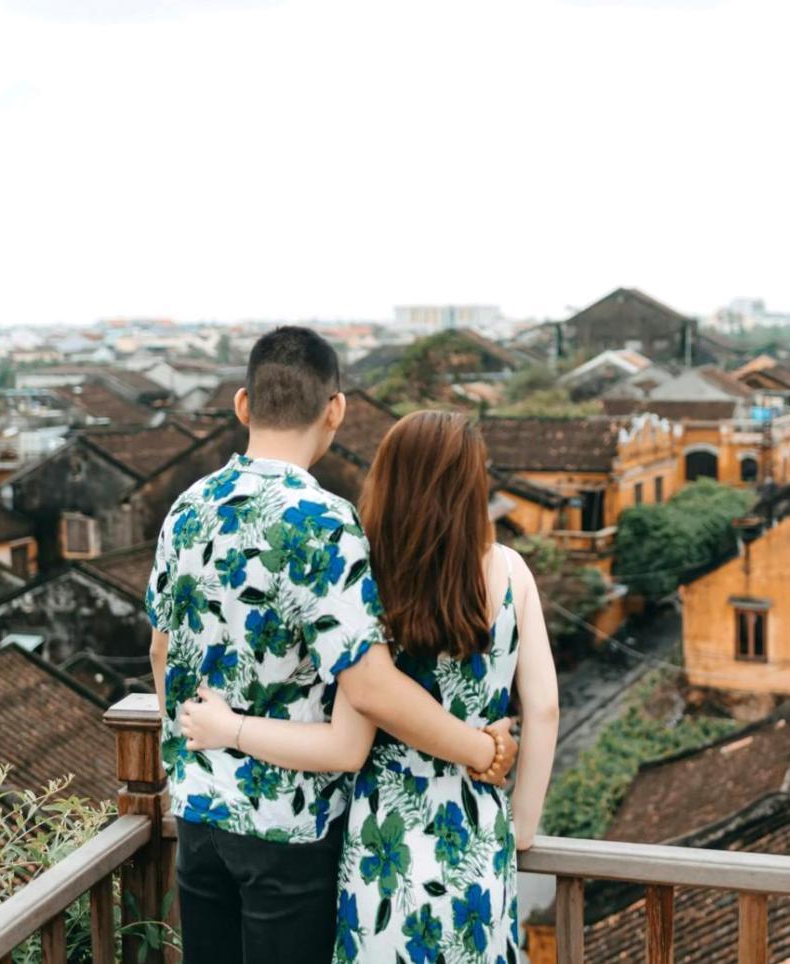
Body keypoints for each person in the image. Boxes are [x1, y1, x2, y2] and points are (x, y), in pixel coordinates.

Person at [147, 329, 518, 964]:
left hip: (199, 816)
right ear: (335, 410)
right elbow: (369, 688)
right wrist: (480, 748)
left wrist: (197, 748)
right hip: (286, 829)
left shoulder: (186, 509)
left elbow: (160, 653)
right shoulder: (324, 522)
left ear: (243, 405)